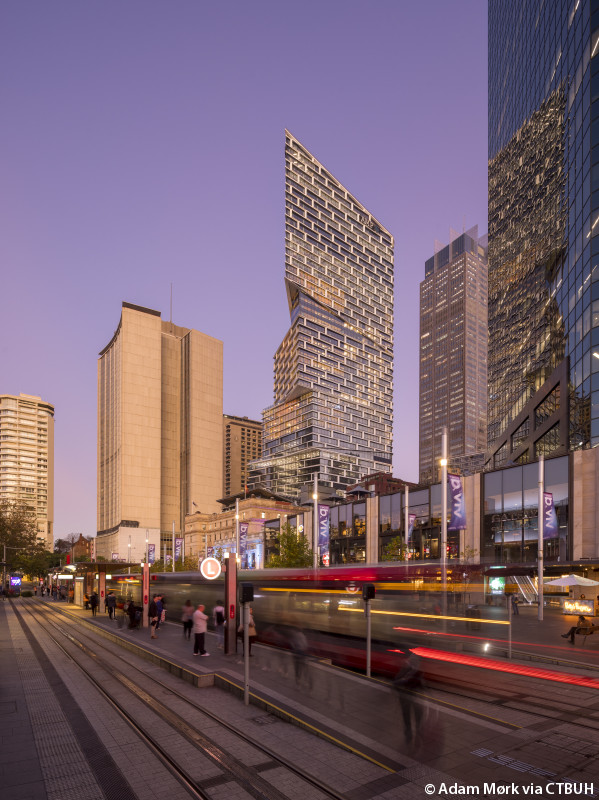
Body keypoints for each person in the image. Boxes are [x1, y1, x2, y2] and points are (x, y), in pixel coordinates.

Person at [393, 651, 424, 745]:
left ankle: (414, 731)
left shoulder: (417, 672)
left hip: (410, 698)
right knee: (410, 715)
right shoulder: (407, 670)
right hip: (407, 698)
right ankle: (410, 732)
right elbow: (396, 682)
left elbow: (421, 685)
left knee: (414, 715)